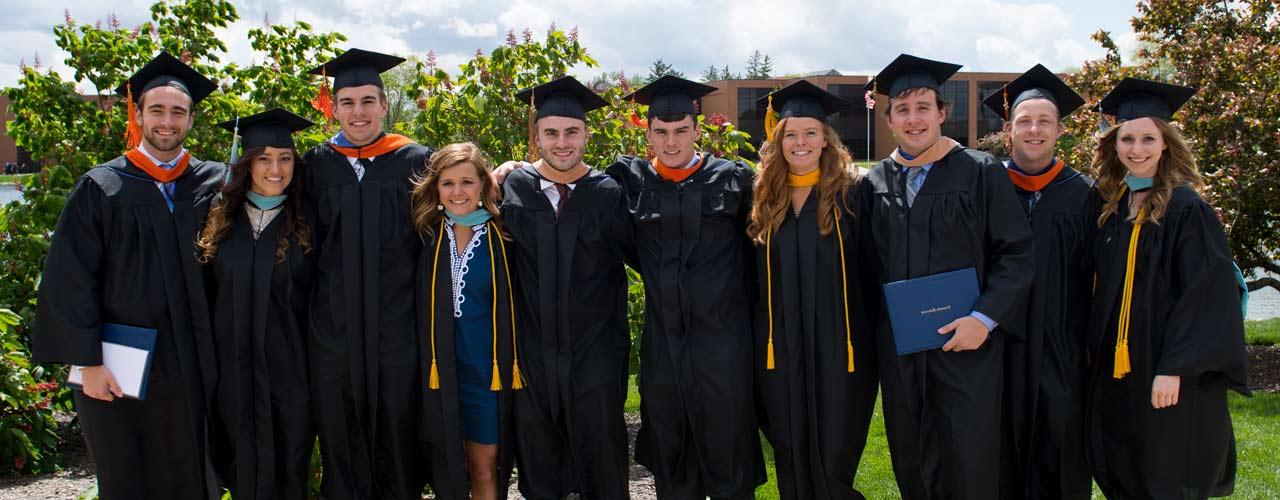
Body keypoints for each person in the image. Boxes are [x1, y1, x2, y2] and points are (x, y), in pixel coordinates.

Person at [494, 73, 765, 499]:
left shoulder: (731, 180)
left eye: (681, 132)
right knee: (671, 458)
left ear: (698, 129)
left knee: (729, 458)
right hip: (658, 353)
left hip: (721, 346)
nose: (671, 142)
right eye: (661, 132)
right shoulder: (619, 182)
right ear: (649, 134)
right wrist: (508, 168)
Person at [32, 51, 224, 499]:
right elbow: (70, 280)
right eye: (156, 110)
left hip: (195, 362)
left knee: (194, 469)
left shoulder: (214, 183)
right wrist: (88, 361)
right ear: (137, 114)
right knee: (128, 473)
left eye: (178, 112)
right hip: (121, 369)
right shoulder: (102, 187)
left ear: (191, 119)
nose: (167, 121)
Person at [857, 54, 1034, 500]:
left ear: (941, 113)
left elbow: (1016, 254)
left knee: (969, 459)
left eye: (922, 107)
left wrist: (985, 319)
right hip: (902, 353)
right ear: (889, 119)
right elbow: (865, 268)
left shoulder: (980, 171)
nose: (913, 118)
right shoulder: (874, 183)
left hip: (967, 348)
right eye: (902, 109)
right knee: (911, 456)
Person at [1085, 77, 1250, 500]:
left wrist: (1175, 368)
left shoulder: (1186, 208)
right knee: (1128, 473)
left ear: (1165, 143)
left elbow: (1206, 295)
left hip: (1168, 375)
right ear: (1114, 144)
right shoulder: (1114, 205)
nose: (1136, 149)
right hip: (1122, 373)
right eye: (1127, 138)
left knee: (1167, 475)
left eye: (1147, 138)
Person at [301, 48, 434, 499]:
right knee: (339, 433)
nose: (358, 113)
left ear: (383, 104)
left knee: (398, 433)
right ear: (333, 107)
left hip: (397, 330)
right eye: (348, 102)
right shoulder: (316, 165)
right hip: (333, 331)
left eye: (367, 101)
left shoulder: (416, 161)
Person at [501, 76, 634, 500]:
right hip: (534, 354)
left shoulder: (608, 192)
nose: (562, 142)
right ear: (536, 135)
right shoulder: (514, 187)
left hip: (595, 353)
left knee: (602, 461)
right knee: (540, 464)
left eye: (571, 132)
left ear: (586, 134)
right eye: (552, 132)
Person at [747, 80, 879, 500]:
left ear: (826, 138)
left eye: (809, 132)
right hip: (778, 350)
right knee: (789, 449)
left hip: (841, 350)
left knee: (834, 456)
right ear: (777, 140)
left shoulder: (855, 195)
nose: (799, 142)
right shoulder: (763, 200)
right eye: (790, 134)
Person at [978, 64, 1095, 500]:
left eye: (1044, 121)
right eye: (1024, 121)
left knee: (1059, 451)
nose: (1034, 130)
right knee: (995, 453)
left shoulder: (1084, 193)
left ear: (1060, 129)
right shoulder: (984, 185)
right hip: (996, 344)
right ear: (1008, 130)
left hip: (1061, 347)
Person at [197, 108, 317, 500]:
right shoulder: (219, 219)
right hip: (233, 375)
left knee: (289, 468)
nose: (275, 169)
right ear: (246, 163)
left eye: (284, 158)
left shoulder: (308, 221)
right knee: (240, 466)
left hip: (291, 376)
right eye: (263, 158)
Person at [412, 142, 519, 500]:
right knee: (447, 470)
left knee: (484, 468)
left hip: (486, 376)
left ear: (484, 185)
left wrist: (515, 165)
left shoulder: (503, 236)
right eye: (448, 183)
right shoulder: (425, 237)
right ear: (436, 189)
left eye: (467, 182)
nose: (458, 192)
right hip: (439, 374)